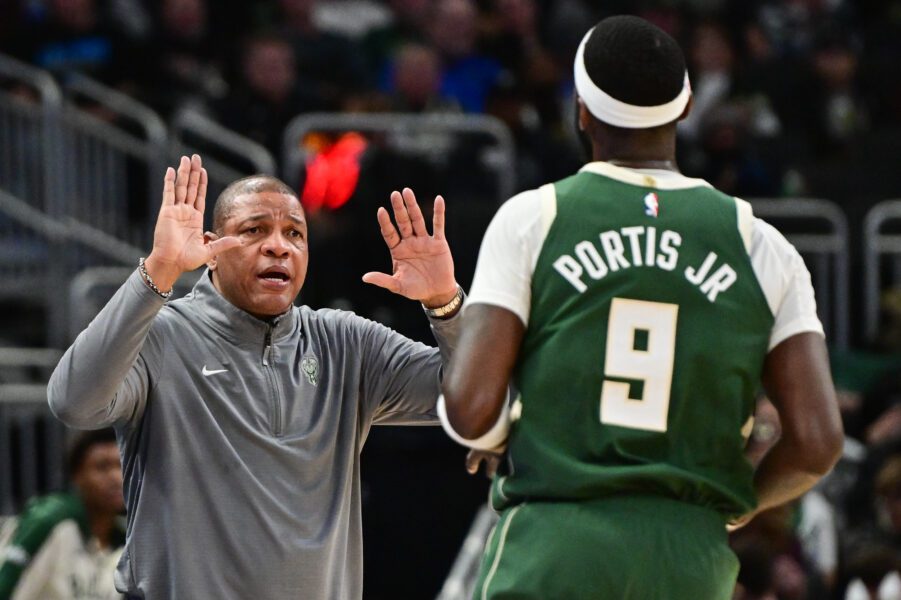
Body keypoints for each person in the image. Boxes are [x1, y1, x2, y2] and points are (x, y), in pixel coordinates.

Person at [440, 15, 844, 599]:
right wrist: (735, 503)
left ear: (581, 110)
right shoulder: (763, 245)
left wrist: (502, 428)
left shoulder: (535, 217)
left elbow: (470, 411)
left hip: (557, 538)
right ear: (683, 109)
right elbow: (817, 441)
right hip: (690, 555)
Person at [48, 154, 463, 598]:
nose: (278, 246)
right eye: (254, 230)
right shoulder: (160, 335)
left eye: (295, 234)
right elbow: (74, 402)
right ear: (210, 249)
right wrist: (157, 273)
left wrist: (445, 303)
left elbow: (479, 396)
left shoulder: (345, 343)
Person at [0, 429, 125, 600]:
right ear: (77, 475)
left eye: (122, 466)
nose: (116, 478)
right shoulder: (49, 522)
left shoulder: (125, 541)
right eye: (102, 467)